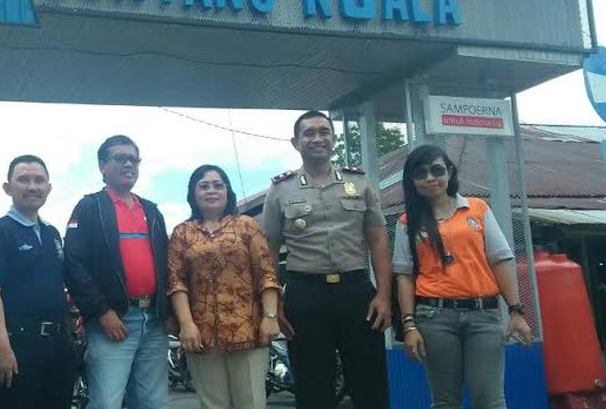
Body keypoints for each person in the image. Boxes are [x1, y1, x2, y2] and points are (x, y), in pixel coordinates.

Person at [262, 110, 392, 409]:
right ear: (296, 142)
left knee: (370, 382)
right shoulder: (281, 189)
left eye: (324, 132)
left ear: (334, 139)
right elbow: (267, 249)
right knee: (312, 386)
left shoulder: (359, 183)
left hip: (356, 291)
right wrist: (275, 302)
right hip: (305, 295)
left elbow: (378, 240)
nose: (317, 138)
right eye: (309, 133)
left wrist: (384, 295)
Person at [393, 144, 533, 409]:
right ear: (411, 181)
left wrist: (516, 311)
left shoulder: (477, 209)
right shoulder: (406, 222)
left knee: (490, 401)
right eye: (420, 173)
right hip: (434, 318)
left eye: (437, 170)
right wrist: (409, 326)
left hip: (484, 316)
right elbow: (404, 276)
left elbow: (500, 260)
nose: (430, 178)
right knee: (445, 402)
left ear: (449, 173)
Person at [64, 135, 171, 409]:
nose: (128, 164)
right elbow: (73, 266)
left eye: (133, 159)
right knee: (106, 404)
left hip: (154, 323)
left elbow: (168, 264)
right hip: (113, 322)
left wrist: (167, 311)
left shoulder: (152, 211)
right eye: (119, 158)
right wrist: (102, 312)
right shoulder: (90, 207)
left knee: (152, 403)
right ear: (102, 166)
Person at [168, 165, 281, 409]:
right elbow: (176, 282)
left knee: (251, 402)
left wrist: (270, 316)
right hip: (201, 335)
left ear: (228, 191)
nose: (211, 190)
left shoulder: (246, 226)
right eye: (204, 185)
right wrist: (186, 325)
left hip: (248, 331)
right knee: (212, 404)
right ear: (193, 193)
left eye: (218, 185)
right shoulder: (182, 233)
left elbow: (267, 273)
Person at [0, 155, 76, 409]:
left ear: (49, 188)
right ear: (8, 188)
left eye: (39, 180)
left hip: (57, 345)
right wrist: (2, 347)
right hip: (16, 346)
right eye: (23, 180)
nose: (32, 186)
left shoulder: (52, 234)